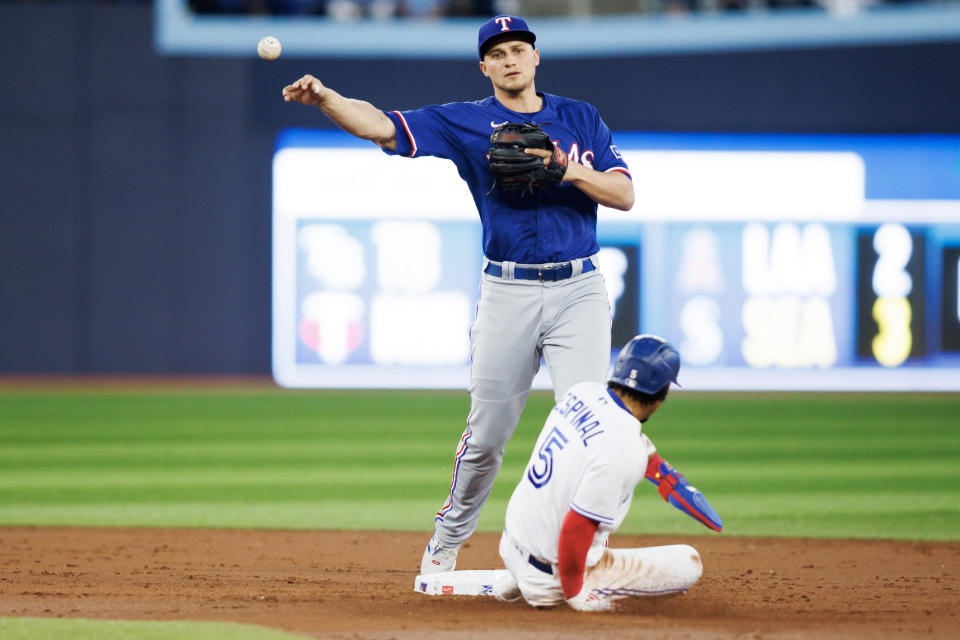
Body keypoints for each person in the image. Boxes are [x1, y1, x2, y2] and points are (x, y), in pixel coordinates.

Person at [282, 15, 634, 575]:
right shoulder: (467, 122)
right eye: (497, 54)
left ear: (535, 57)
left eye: (519, 49)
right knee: (486, 437)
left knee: (591, 429)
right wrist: (325, 97)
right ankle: (446, 541)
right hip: (507, 292)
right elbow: (381, 126)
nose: (510, 59)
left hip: (580, 291)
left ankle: (581, 550)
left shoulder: (579, 118)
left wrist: (563, 169)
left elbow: (624, 194)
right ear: (485, 67)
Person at [494, 335, 723, 611]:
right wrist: (574, 593)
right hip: (550, 579)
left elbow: (625, 440)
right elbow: (576, 527)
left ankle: (516, 577)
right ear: (663, 392)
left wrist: (668, 478)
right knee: (689, 563)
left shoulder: (582, 393)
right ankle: (555, 586)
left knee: (574, 484)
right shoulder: (625, 452)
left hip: (511, 544)